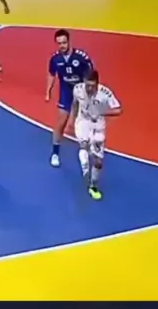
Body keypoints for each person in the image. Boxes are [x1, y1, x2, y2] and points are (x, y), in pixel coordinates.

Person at [70, 68, 122, 200]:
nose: (89, 88)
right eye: (87, 85)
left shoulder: (105, 94)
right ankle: (85, 168)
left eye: (92, 86)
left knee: (98, 162)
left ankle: (93, 185)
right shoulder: (77, 89)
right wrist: (72, 120)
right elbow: (75, 104)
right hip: (83, 122)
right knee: (83, 144)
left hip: (98, 126)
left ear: (97, 84)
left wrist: (103, 112)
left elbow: (118, 110)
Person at [45, 29, 93, 167]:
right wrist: (48, 90)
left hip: (82, 92)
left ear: (69, 41)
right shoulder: (55, 59)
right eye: (59, 43)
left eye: (64, 42)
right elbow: (51, 74)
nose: (62, 46)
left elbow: (91, 76)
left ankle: (89, 149)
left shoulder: (81, 57)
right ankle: (55, 153)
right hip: (66, 92)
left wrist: (90, 93)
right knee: (61, 122)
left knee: (86, 122)